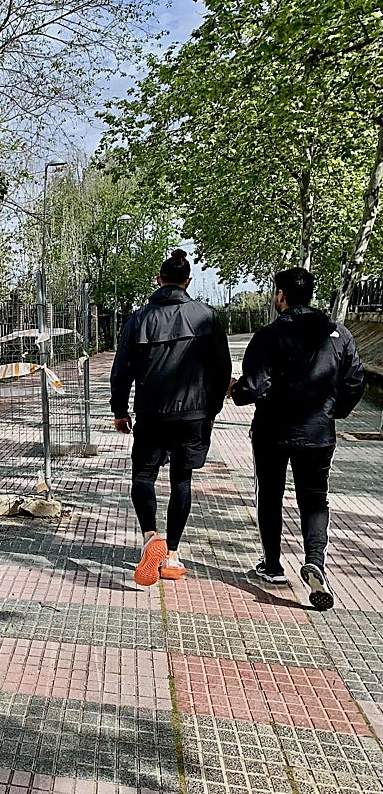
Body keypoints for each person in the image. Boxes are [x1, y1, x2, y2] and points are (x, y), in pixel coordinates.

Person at [231, 267, 364, 610]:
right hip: (318, 431)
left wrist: (236, 390)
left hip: (273, 431)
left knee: (270, 495)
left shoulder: (269, 335)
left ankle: (273, 566)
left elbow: (253, 387)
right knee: (316, 498)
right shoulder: (339, 334)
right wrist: (333, 411)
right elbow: (354, 382)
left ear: (281, 295)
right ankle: (315, 562)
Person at [111, 249, 232, 586]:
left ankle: (151, 538)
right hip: (193, 414)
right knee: (182, 480)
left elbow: (122, 370)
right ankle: (174, 556)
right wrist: (211, 409)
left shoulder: (139, 319)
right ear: (188, 282)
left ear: (158, 280)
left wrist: (120, 411)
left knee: (143, 475)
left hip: (152, 412)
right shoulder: (206, 316)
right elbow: (222, 369)